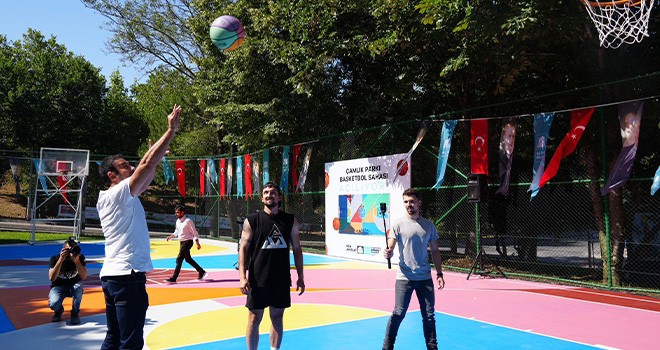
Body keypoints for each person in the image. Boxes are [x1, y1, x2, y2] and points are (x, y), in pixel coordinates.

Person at [97, 104, 181, 349]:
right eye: (124, 166)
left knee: (114, 338)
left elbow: (146, 164)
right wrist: (171, 131)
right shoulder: (118, 194)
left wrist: (157, 150)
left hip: (114, 277)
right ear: (112, 175)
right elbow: (146, 166)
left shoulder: (115, 196)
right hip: (127, 276)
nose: (131, 168)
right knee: (130, 343)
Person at [238, 182, 305, 350]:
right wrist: (242, 277)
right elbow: (243, 249)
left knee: (277, 317)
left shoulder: (290, 220)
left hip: (281, 278)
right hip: (257, 278)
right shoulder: (252, 220)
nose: (269, 195)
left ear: (279, 197)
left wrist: (301, 277)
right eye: (266, 192)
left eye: (273, 192)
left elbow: (297, 249)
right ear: (262, 198)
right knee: (254, 318)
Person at [382, 188, 445, 350]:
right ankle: (387, 347)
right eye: (405, 202)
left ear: (419, 203)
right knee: (398, 314)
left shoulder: (428, 226)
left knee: (429, 317)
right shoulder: (398, 224)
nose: (408, 205)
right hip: (404, 278)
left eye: (411, 201)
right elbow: (391, 245)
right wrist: (388, 252)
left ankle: (432, 347)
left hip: (425, 278)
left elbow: (436, 251)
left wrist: (439, 273)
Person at [163, 204, 207, 283]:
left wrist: (197, 243)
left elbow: (194, 233)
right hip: (182, 242)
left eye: (178, 212)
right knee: (188, 259)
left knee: (179, 259)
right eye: (176, 212)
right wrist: (171, 236)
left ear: (183, 212)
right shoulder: (178, 221)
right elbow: (177, 231)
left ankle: (174, 278)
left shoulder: (188, 221)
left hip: (188, 242)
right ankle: (201, 271)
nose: (176, 214)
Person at [48, 238, 87, 325]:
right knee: (53, 304)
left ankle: (75, 312)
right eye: (70, 250)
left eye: (75, 249)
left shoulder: (79, 258)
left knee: (79, 287)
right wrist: (60, 260)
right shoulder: (55, 258)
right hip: (59, 286)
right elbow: (52, 278)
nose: (72, 252)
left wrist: (77, 261)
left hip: (74, 285)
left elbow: (84, 276)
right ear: (63, 249)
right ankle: (58, 310)